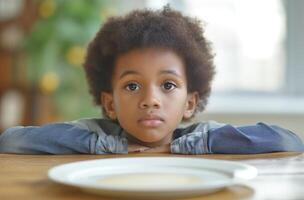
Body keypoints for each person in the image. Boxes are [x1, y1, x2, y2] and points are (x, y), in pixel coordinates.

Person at [0, 6, 303, 154]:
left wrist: (184, 147)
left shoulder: (200, 137)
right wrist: (109, 145)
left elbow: (287, 140)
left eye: (168, 85)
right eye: (132, 86)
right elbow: (11, 140)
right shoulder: (95, 134)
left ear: (190, 102)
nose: (150, 99)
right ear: (110, 102)